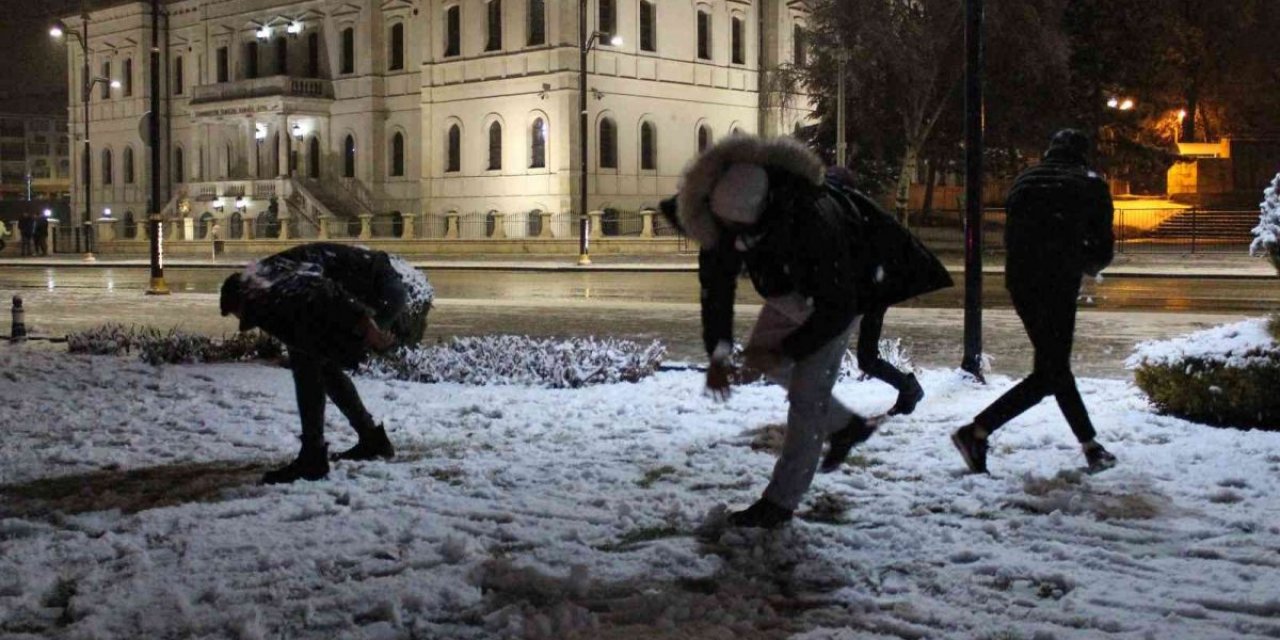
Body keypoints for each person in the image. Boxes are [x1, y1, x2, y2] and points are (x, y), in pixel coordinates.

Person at [667, 134, 951, 529]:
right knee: (763, 358)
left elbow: (837, 307)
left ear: (766, 211)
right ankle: (847, 427)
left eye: (745, 233)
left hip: (847, 287)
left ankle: (779, 504)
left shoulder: (813, 218)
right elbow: (716, 292)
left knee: (807, 392)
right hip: (792, 288)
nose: (736, 242)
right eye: (730, 231)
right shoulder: (715, 219)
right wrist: (718, 354)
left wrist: (786, 351)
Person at [952, 129, 1118, 475]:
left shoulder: (1025, 180)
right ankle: (976, 431)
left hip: (1023, 282)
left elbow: (1012, 234)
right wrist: (1080, 256)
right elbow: (1101, 254)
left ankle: (1090, 447)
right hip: (1058, 283)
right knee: (1051, 372)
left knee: (1052, 370)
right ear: (1082, 154)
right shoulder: (1089, 183)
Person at [220, 242, 434, 484]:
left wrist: (367, 325)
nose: (252, 322)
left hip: (378, 292)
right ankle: (368, 440)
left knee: (308, 362)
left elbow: (325, 291)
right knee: (316, 360)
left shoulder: (277, 284)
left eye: (245, 315)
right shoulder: (267, 279)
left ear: (247, 299)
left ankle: (315, 456)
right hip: (373, 288)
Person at [826, 166, 949, 416]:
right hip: (866, 290)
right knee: (860, 357)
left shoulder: (856, 213)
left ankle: (908, 388)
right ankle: (908, 388)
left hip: (870, 291)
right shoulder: (848, 212)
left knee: (856, 356)